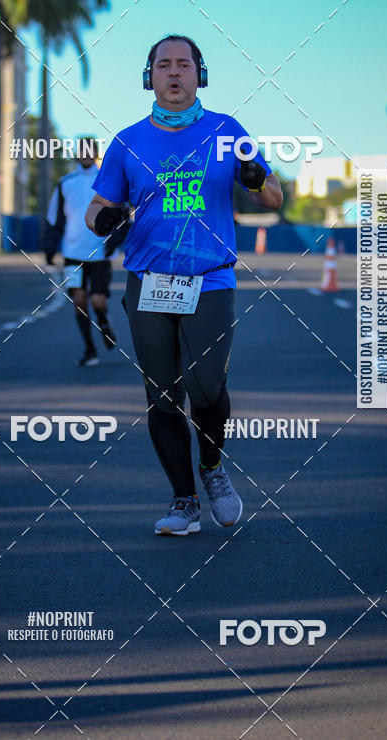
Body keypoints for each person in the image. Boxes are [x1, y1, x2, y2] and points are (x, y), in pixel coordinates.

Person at [85, 35, 283, 534]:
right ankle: (183, 503)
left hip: (210, 279)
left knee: (205, 384)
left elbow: (272, 198)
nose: (174, 73)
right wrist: (104, 219)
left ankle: (213, 469)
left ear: (201, 74)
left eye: (184, 65)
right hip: (148, 282)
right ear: (148, 76)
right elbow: (95, 209)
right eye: (163, 65)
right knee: (163, 395)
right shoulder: (128, 141)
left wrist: (257, 178)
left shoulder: (226, 131)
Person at [43, 139, 127, 366]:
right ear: (76, 155)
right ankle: (90, 350)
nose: (86, 156)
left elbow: (122, 217)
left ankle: (104, 322)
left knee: (98, 301)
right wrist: (50, 247)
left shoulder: (108, 181)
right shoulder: (65, 183)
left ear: (96, 154)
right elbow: (54, 219)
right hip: (72, 254)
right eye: (82, 152)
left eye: (91, 152)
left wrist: (114, 241)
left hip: (100, 256)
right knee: (79, 300)